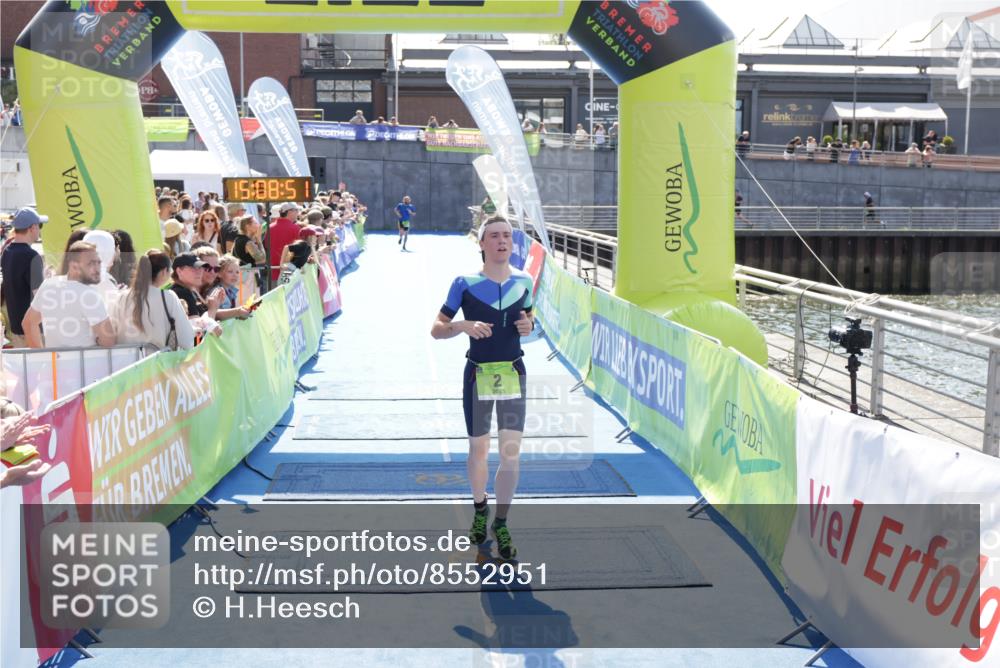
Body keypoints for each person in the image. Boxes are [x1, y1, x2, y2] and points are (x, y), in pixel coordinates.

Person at [430, 216, 535, 560]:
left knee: (510, 453)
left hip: (513, 372)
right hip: (478, 374)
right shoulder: (464, 283)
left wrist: (528, 325)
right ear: (482, 243)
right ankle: (480, 509)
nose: (502, 241)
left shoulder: (524, 281)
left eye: (507, 236)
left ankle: (501, 522)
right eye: (494, 236)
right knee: (478, 449)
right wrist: (463, 325)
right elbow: (437, 329)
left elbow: (529, 319)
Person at [22, 242, 117, 348]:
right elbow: (108, 341)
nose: (97, 268)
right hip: (85, 358)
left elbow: (28, 323)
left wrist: (40, 355)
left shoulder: (48, 285)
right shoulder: (89, 294)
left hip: (53, 358)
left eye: (98, 262)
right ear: (74, 266)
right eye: (91, 263)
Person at [110, 250, 194, 350]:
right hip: (157, 359)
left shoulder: (121, 297)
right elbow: (187, 340)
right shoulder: (168, 297)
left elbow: (111, 333)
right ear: (164, 272)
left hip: (125, 359)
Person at [1, 207, 46, 348]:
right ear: (32, 228)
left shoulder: (7, 252)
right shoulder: (32, 256)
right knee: (43, 363)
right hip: (34, 330)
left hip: (16, 328)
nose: (40, 230)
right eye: (39, 226)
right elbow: (40, 297)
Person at [268, 202, 303, 280]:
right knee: (286, 286)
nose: (298, 213)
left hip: (273, 271)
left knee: (276, 287)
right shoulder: (295, 229)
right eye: (296, 210)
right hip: (289, 271)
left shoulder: (269, 228)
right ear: (289, 212)